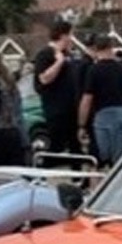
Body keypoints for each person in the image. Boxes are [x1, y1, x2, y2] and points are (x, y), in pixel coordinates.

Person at [78, 34, 122, 168]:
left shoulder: (93, 71)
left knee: (99, 160)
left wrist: (81, 125)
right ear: (111, 48)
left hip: (103, 117)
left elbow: (86, 100)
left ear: (96, 49)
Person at [32, 21, 82, 162]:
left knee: (75, 145)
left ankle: (78, 178)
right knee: (57, 146)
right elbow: (44, 79)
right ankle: (43, 173)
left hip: (71, 107)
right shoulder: (45, 54)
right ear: (63, 35)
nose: (72, 38)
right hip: (56, 109)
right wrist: (59, 62)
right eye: (71, 34)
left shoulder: (68, 54)